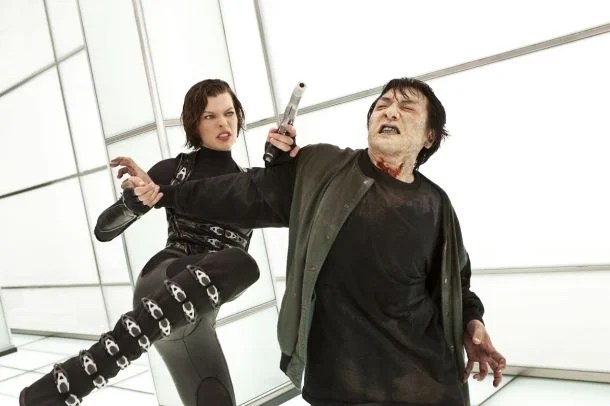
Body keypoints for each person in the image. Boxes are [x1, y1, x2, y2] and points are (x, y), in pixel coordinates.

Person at [131, 77, 507, 405]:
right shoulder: (322, 169)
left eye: (406, 107)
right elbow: (242, 192)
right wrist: (165, 194)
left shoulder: (436, 204)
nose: (390, 112)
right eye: (382, 105)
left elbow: (455, 282)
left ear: (430, 135)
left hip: (428, 384)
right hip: (344, 385)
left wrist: (471, 323)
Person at [19, 79, 292, 406]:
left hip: (193, 317)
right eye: (210, 116)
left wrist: (283, 165)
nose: (223, 123)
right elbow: (104, 230)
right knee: (241, 263)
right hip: (163, 279)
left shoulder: (251, 184)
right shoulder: (175, 170)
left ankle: (59, 386)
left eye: (229, 113)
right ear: (194, 124)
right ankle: (94, 367)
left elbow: (294, 206)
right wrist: (132, 204)